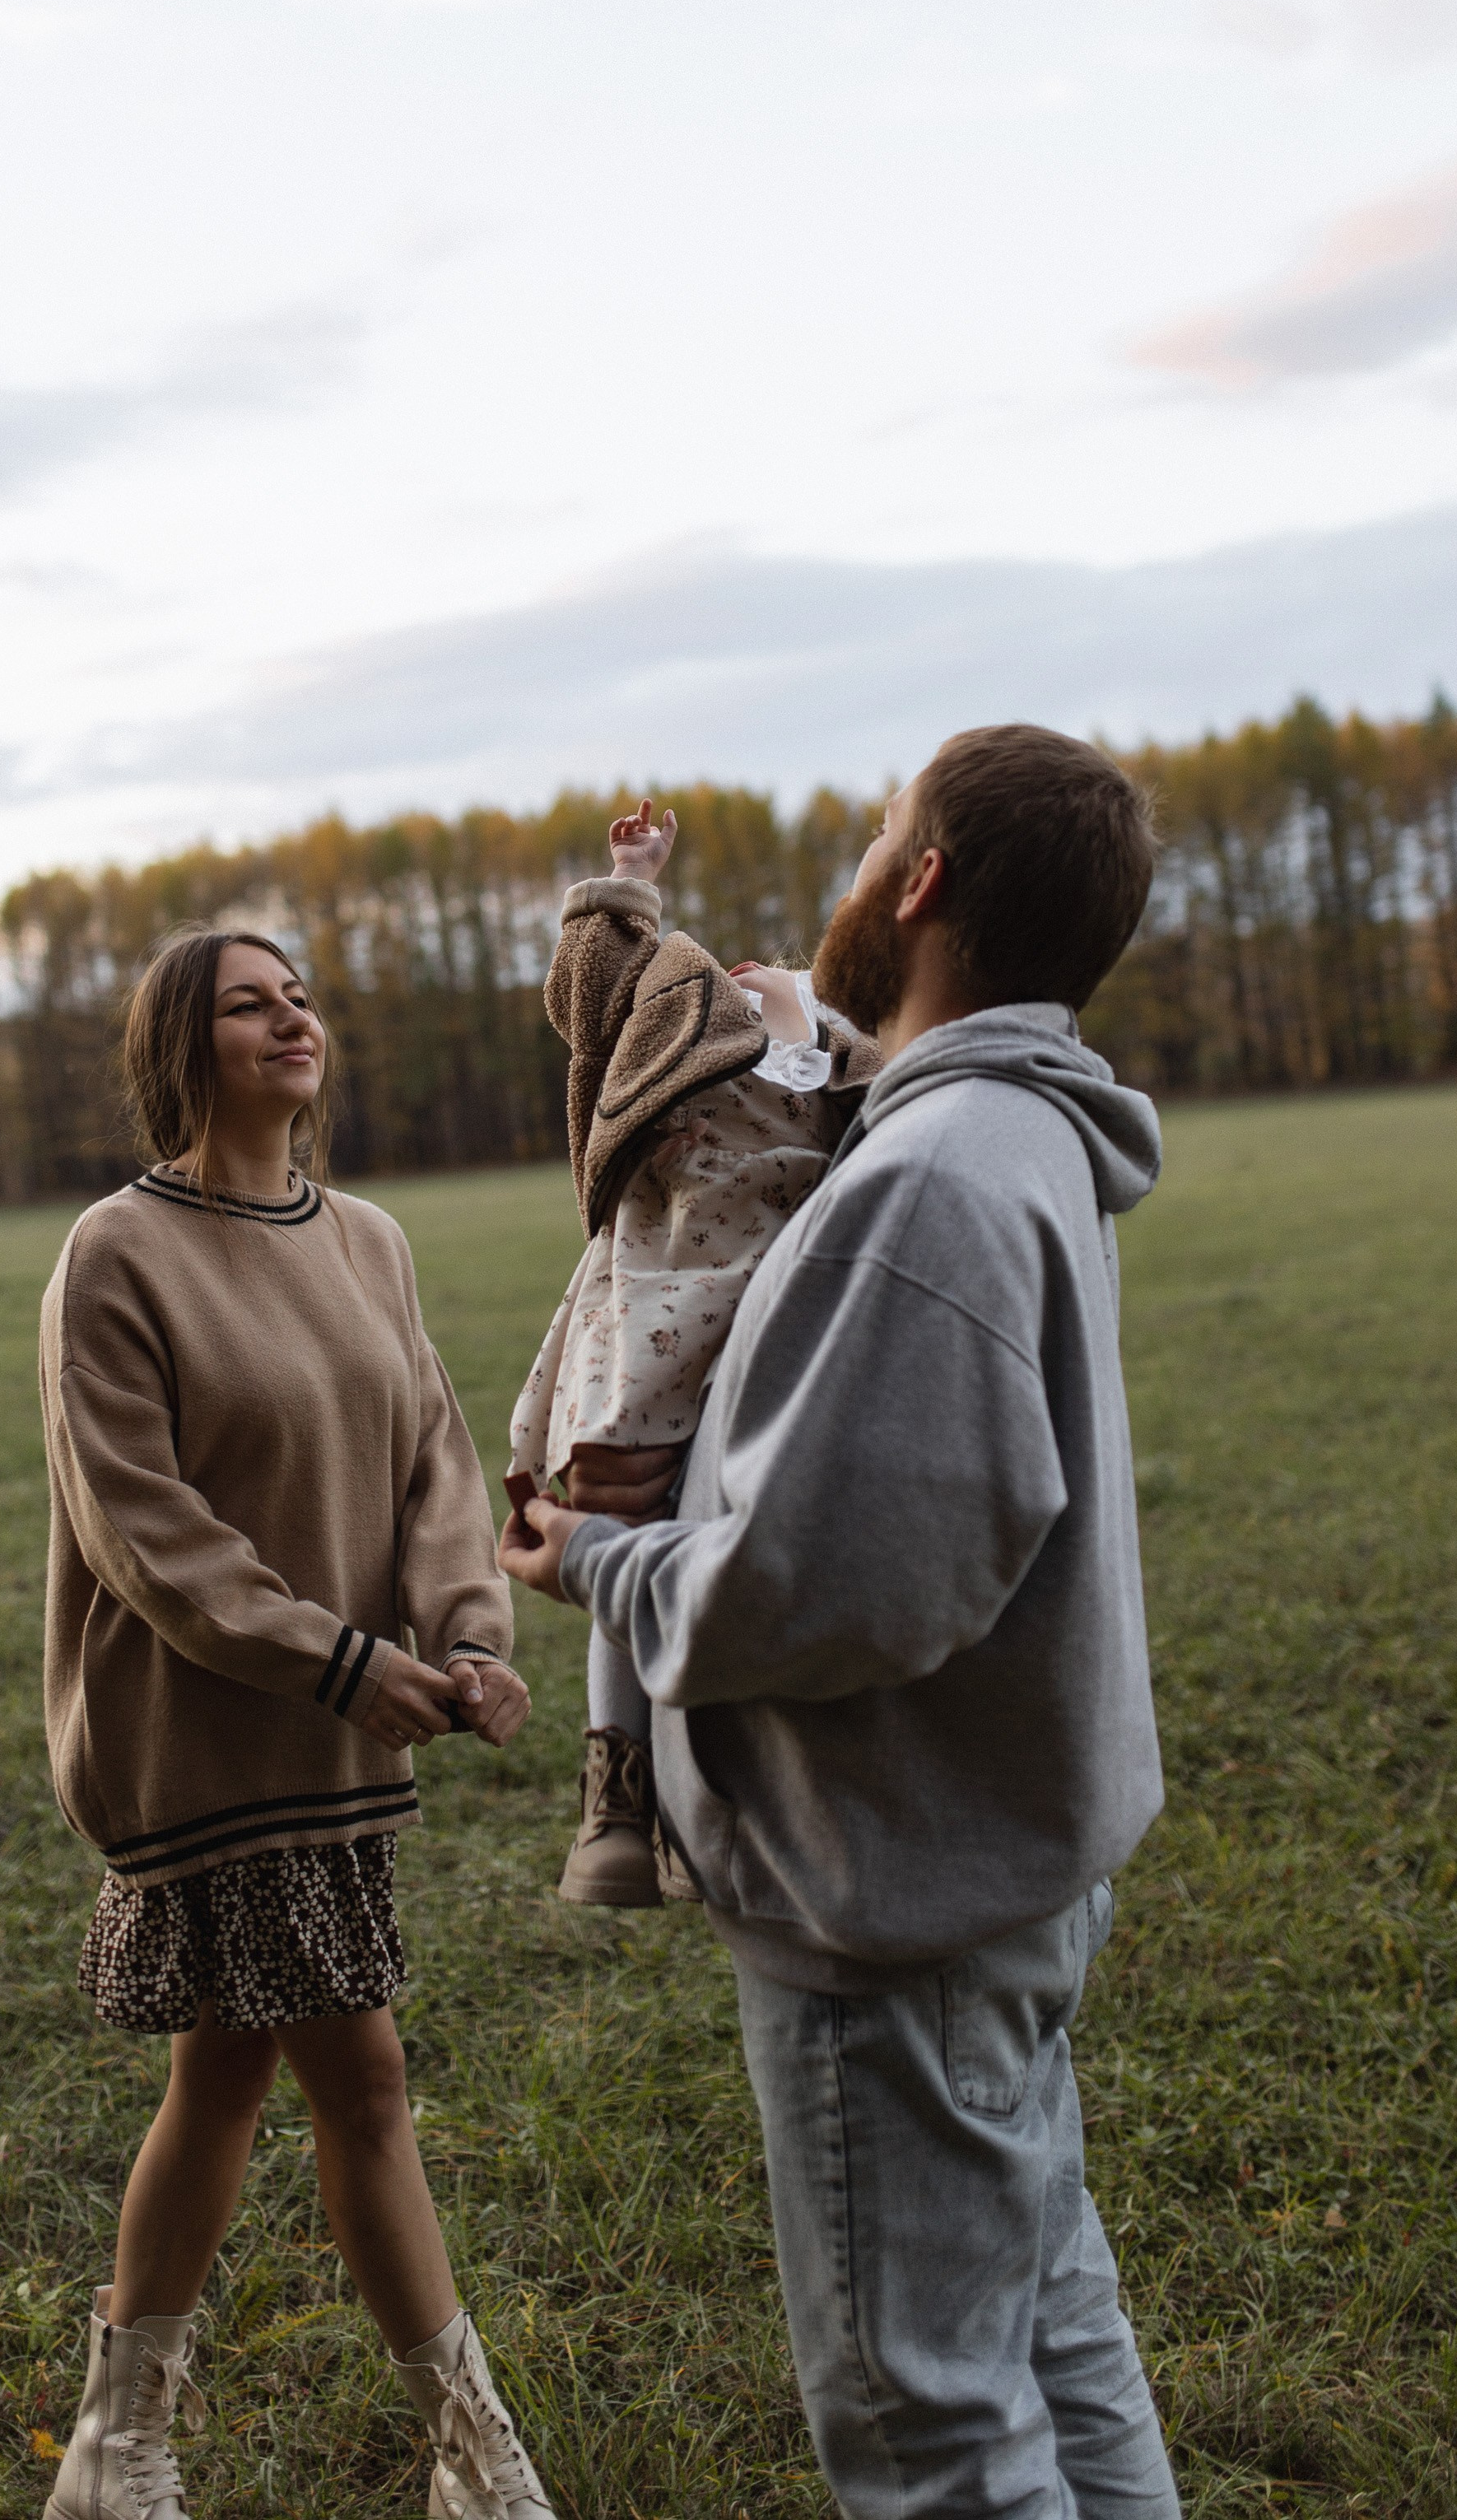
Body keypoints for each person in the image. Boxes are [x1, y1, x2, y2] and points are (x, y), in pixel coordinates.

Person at [501, 726, 1182, 2520]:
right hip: (982, 1863)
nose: (856, 868)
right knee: (1051, 2336)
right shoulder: (993, 1134)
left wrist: (594, 1560)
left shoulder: (928, 1183)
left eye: (879, 835)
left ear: (922, 880)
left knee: (933, 2429)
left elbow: (821, 1589)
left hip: (898, 1899)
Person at [38, 927, 555, 2520]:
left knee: (229, 2074)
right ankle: (475, 2464)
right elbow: (141, 1526)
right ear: (181, 1048)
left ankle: (116, 2450)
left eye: (300, 997)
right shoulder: (118, 1251)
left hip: (339, 1740)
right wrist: (334, 1661)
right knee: (356, 2081)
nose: (290, 1019)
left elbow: (435, 1463)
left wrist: (466, 1635)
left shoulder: (369, 1241)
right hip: (209, 1740)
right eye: (247, 1004)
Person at [508, 798, 879, 1904]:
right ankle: (618, 1797)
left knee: (767, 1526)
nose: (754, 970)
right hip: (663, 1288)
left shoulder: (856, 1040)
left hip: (792, 1292)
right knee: (620, 1519)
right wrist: (632, 881)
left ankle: (762, 1779)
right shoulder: (678, 999)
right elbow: (587, 992)